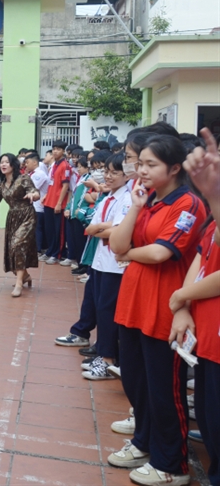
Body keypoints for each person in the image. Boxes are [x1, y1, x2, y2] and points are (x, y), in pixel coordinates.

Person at [107, 134, 206, 485]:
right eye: (139, 164)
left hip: (165, 308)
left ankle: (171, 464)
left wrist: (129, 254)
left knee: (165, 389)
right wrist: (135, 208)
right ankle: (143, 443)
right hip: (134, 304)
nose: (141, 171)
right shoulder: (146, 199)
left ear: (175, 168)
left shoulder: (188, 204)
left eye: (151, 164)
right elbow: (116, 243)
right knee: (137, 382)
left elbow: (161, 253)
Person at [171, 127, 220, 486]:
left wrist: (180, 297)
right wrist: (184, 304)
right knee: (209, 417)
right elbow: (202, 258)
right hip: (208, 340)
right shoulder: (213, 218)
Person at [78, 153, 132, 380]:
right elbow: (90, 228)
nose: (108, 177)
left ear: (126, 175)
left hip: (115, 266)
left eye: (114, 173)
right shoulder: (108, 198)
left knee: (109, 311)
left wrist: (102, 228)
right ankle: (104, 354)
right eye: (106, 172)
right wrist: (104, 227)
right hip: (101, 262)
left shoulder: (128, 199)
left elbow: (119, 231)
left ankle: (109, 359)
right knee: (101, 308)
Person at [0, 154, 40, 297]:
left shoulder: (23, 178)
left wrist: (33, 195)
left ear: (13, 165)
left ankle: (19, 284)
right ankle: (25, 276)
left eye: (6, 162)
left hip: (27, 216)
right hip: (13, 218)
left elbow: (34, 192)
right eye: (1, 162)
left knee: (17, 245)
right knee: (13, 250)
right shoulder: (2, 183)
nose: (3, 165)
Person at [42, 140, 71, 265]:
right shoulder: (54, 165)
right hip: (49, 201)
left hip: (58, 203)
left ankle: (57, 254)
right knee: (50, 230)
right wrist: (47, 196)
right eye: (54, 149)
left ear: (63, 151)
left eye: (58, 149)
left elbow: (65, 186)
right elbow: (51, 182)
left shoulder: (65, 166)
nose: (55, 151)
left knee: (58, 231)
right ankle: (50, 251)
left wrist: (59, 203)